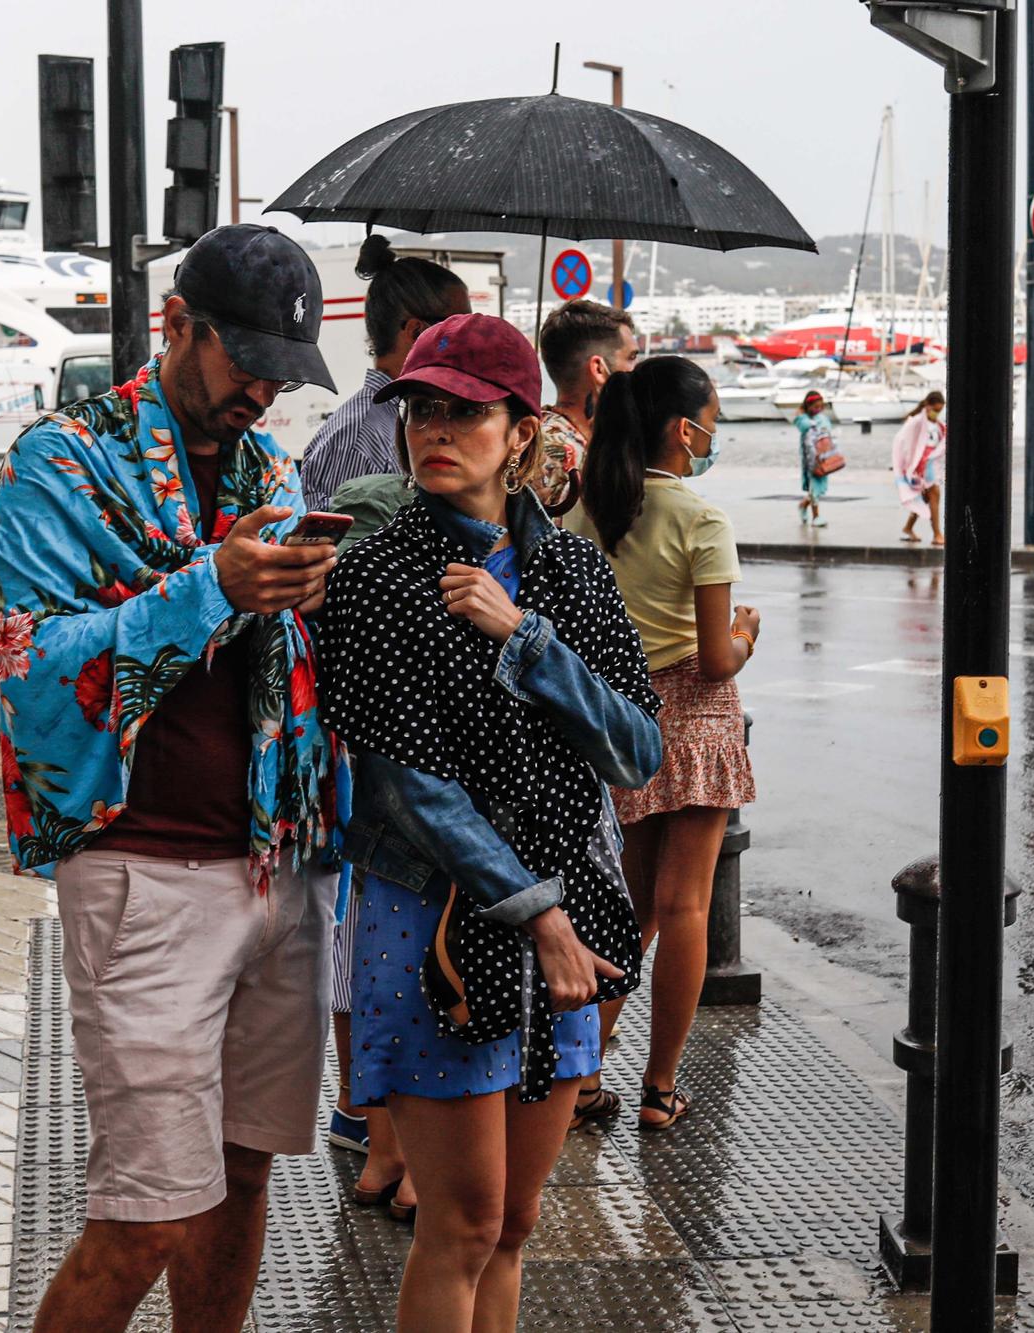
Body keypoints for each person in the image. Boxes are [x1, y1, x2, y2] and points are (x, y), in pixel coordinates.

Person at [0, 223, 342, 1333]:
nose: (264, 395)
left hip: (273, 871)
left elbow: (277, 667)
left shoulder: (266, 472)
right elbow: (28, 667)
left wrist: (302, 604)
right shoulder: (61, 464)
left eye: (285, 375)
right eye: (248, 364)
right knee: (144, 1214)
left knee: (241, 1180)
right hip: (142, 873)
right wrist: (215, 589)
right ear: (174, 325)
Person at [316, 313, 663, 1330]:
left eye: (466, 412)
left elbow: (635, 750)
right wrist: (540, 917)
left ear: (522, 434)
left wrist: (527, 642)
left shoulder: (570, 575)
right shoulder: (378, 576)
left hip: (561, 923)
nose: (436, 429)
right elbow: (400, 785)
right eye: (423, 408)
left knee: (514, 1221)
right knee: (458, 1224)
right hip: (435, 920)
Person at [298, 234, 467, 1220]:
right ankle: (381, 1128)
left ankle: (368, 1125)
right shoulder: (389, 437)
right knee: (390, 922)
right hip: (384, 718)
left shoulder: (348, 425)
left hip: (345, 711)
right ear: (409, 336)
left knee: (368, 919)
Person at [566, 356, 759, 1132]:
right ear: (686, 430)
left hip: (618, 718)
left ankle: (583, 1075)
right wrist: (747, 634)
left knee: (630, 906)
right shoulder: (701, 520)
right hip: (698, 715)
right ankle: (659, 1086)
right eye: (711, 419)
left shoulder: (586, 514)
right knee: (685, 906)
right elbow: (716, 657)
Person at [299, 234, 469, 511]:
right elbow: (342, 549)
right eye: (460, 330)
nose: (470, 343)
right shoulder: (358, 437)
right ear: (417, 332)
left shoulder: (410, 419)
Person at [535, 300, 639, 521]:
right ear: (599, 369)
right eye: (631, 358)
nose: (636, 371)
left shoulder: (556, 435)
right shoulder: (555, 451)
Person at [892, 390, 946, 545]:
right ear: (928, 406)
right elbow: (903, 441)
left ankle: (908, 527)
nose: (937, 413)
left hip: (931, 465)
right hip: (921, 467)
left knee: (925, 498)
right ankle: (937, 534)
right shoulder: (916, 422)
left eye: (940, 411)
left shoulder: (938, 425)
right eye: (935, 410)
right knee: (934, 495)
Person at [794, 389, 835, 528]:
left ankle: (803, 505)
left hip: (823, 456)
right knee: (814, 488)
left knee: (818, 488)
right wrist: (802, 415)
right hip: (811, 459)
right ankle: (816, 517)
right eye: (815, 407)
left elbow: (827, 432)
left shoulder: (821, 419)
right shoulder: (804, 420)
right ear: (808, 406)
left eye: (820, 406)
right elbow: (805, 427)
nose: (818, 409)